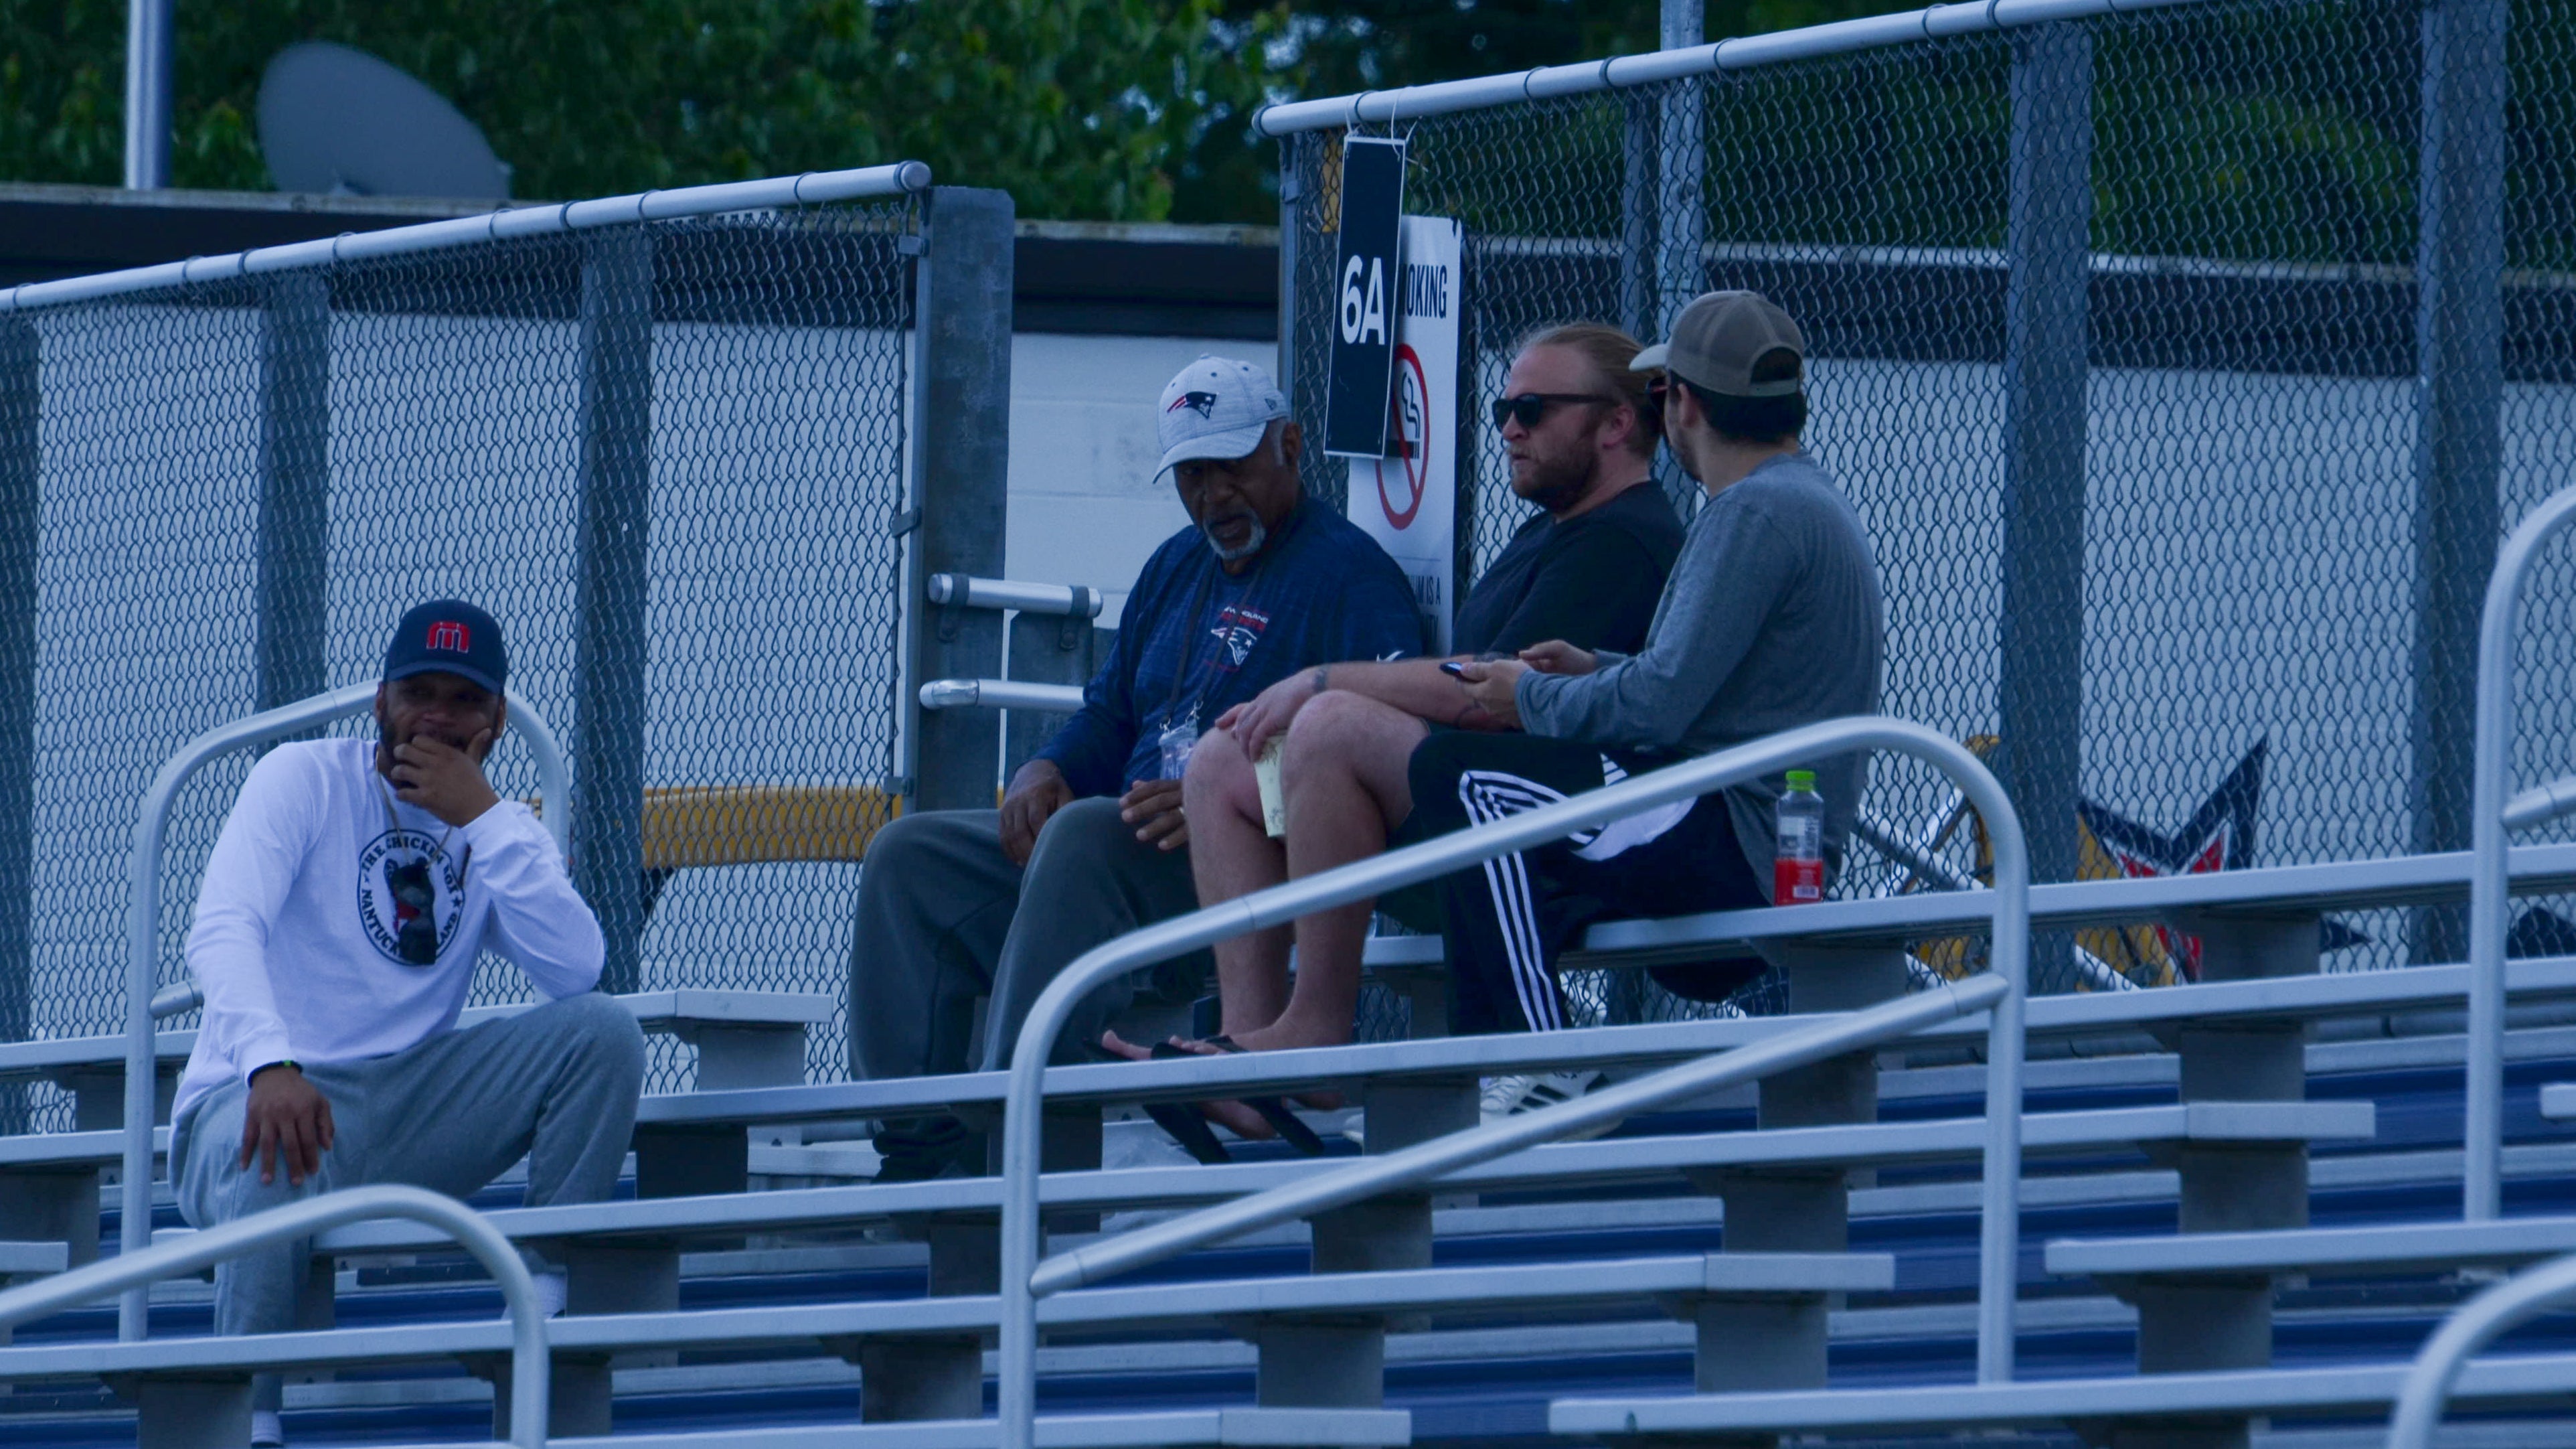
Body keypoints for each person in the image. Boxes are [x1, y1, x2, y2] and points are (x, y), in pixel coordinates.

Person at [1142, 291, 1885, 1136]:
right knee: (1456, 777)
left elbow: (1657, 703)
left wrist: (1525, 692)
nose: (1510, 427)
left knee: (1474, 787)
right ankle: (1319, 1046)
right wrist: (1589, 667)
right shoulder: (1781, 501)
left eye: (1528, 410)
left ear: (1681, 403)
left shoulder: (1755, 511)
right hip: (1725, 810)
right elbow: (1676, 681)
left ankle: (1530, 1055)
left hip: (1738, 831)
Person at [848, 356, 1424, 1179]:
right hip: (1116, 852)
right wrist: (1040, 768)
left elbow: (1384, 757)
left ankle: (1013, 1113)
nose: (1214, 495)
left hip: (1241, 869)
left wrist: (1229, 802)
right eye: (1192, 474)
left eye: (1232, 465)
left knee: (1085, 830)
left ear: (1289, 446)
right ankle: (916, 1143)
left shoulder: (1349, 575)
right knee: (908, 855)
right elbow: (1110, 716)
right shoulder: (1171, 567)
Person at [1128, 325, 1683, 1131]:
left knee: (1327, 723)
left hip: (1550, 834)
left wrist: (1320, 679)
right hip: (1461, 809)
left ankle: (1313, 1031)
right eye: (1501, 409)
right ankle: (1250, 1043)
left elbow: (1493, 700)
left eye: (1531, 408)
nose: (1508, 428)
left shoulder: (1624, 540)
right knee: (1221, 762)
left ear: (1615, 424)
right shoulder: (1549, 531)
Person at [169, 601, 643, 1449]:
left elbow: (576, 969)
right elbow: (221, 927)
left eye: (463, 699)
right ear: (378, 700)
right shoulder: (301, 776)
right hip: (260, 1096)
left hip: (409, 1102)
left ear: (496, 719)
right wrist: (270, 1066)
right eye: (418, 691)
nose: (436, 716)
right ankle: (248, 1418)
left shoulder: (492, 828)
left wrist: (487, 818)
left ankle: (536, 1300)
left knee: (604, 1033)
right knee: (271, 1141)